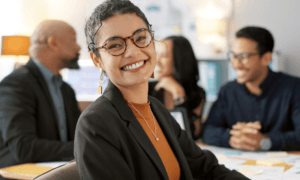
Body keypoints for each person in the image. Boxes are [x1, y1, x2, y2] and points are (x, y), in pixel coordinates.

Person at [74, 0, 249, 179]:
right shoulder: (95, 125)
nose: (132, 52)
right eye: (115, 45)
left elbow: (206, 169)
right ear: (97, 61)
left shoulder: (157, 110)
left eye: (140, 38)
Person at [0, 20, 82, 173]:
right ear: (53, 43)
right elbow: (24, 148)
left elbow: (80, 135)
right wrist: (84, 147)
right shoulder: (15, 84)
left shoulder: (66, 90)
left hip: (59, 172)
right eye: (73, 40)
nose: (78, 47)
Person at [203, 26, 300, 151]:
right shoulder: (227, 91)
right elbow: (209, 130)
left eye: (243, 56)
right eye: (233, 55)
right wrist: (231, 139)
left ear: (266, 58)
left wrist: (265, 142)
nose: (236, 64)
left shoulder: (294, 88)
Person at [149, 36, 206, 140]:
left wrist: (178, 93)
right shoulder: (147, 89)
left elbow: (192, 136)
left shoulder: (198, 94)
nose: (157, 61)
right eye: (157, 54)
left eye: (164, 55)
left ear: (180, 60)